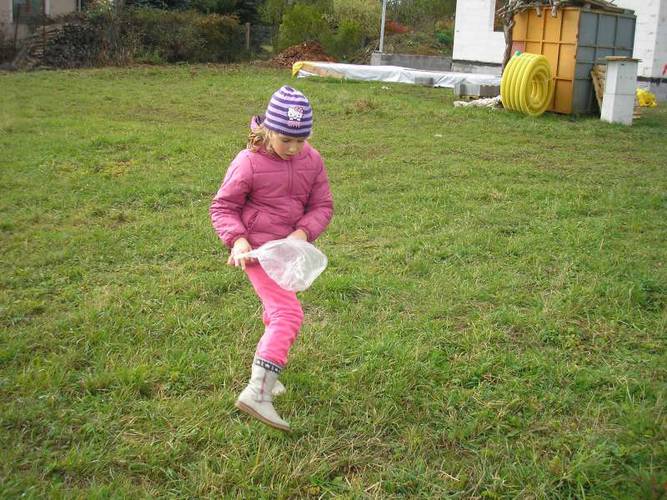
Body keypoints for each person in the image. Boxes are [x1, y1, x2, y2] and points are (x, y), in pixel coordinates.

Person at [210, 85, 334, 432]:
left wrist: (302, 233)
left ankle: (268, 375)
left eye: (301, 140)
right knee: (288, 314)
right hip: (259, 253)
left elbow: (323, 205)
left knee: (274, 311)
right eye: (285, 140)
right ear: (268, 130)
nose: (293, 148)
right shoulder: (248, 162)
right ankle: (258, 391)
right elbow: (223, 206)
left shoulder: (312, 159)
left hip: (288, 252)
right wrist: (238, 241)